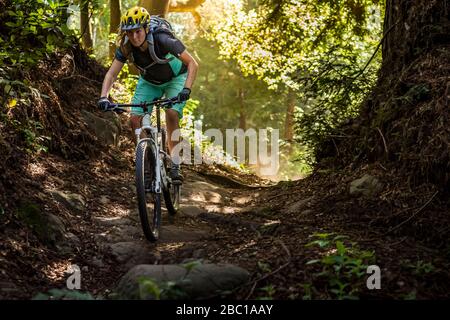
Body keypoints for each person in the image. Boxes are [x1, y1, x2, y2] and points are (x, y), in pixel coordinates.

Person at [97, 6, 198, 184]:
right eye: (129, 33)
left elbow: (193, 64)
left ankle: (175, 165)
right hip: (149, 82)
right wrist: (104, 96)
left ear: (145, 28)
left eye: (138, 31)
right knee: (135, 118)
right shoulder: (126, 46)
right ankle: (150, 162)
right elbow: (111, 74)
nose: (134, 37)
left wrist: (186, 90)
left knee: (172, 113)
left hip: (176, 78)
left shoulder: (163, 39)